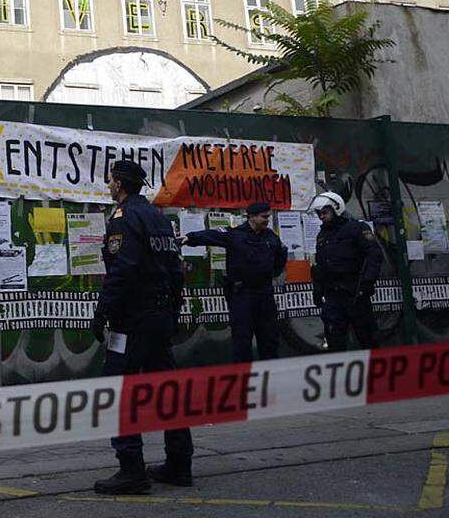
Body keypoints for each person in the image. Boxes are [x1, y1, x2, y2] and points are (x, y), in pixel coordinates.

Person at [90, 160, 193, 494]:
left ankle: (131, 469)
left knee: (118, 390)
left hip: (133, 319)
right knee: (167, 389)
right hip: (159, 315)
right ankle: (179, 463)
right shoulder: (158, 217)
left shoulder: (125, 217)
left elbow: (123, 268)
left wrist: (103, 311)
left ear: (119, 185)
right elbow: (176, 269)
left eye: (110, 181)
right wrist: (172, 312)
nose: (108, 186)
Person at [180, 201, 287, 362]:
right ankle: (243, 378)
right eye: (264, 217)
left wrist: (270, 274)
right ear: (251, 217)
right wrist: (190, 238)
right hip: (243, 296)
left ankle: (270, 377)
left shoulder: (271, 237)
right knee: (242, 341)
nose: (267, 220)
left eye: (268, 217)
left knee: (269, 340)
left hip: (265, 295)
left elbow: (280, 257)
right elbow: (211, 235)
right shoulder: (235, 235)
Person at [310, 191, 383, 352]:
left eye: (324, 212)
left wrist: (368, 282)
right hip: (332, 295)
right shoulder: (322, 235)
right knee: (334, 339)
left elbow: (374, 255)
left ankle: (374, 371)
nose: (321, 217)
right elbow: (319, 265)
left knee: (367, 338)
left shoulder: (356, 228)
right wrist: (317, 289)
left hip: (355, 293)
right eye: (319, 214)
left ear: (336, 208)